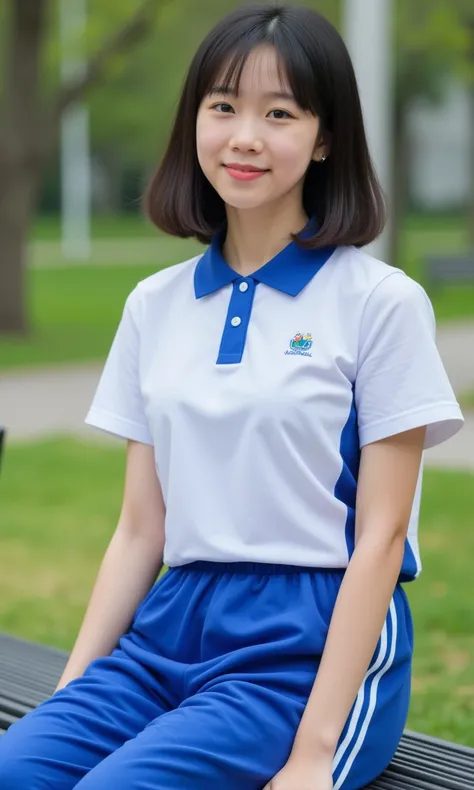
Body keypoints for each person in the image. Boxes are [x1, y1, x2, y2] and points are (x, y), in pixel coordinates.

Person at [0, 4, 465, 790]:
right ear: (195, 125)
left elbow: (382, 541)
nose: (244, 136)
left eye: (278, 113)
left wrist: (315, 752)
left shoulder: (381, 303)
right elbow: (141, 530)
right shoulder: (155, 303)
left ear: (324, 139)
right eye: (223, 107)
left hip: (305, 644)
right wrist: (75, 684)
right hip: (170, 628)